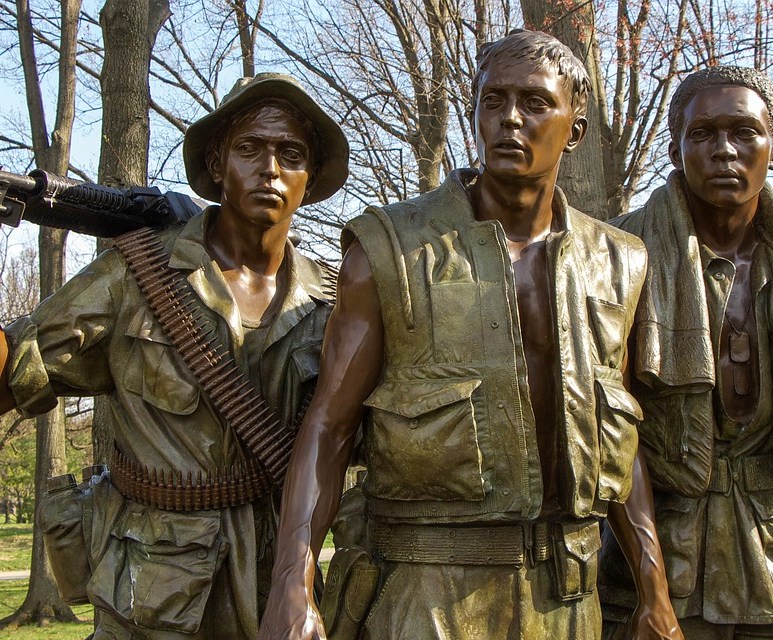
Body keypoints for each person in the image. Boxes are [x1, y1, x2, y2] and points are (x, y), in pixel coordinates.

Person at [260, 29, 681, 640]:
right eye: (493, 100)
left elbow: (618, 434)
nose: (510, 118)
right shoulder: (390, 248)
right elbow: (329, 424)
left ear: (576, 130)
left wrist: (653, 590)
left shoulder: (620, 262)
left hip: (569, 596)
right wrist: (292, 583)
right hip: (425, 591)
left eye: (535, 102)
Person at [0, 72, 349, 639]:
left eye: (291, 155)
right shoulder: (137, 274)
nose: (270, 168)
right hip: (152, 590)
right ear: (217, 165)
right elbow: (17, 364)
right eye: (249, 148)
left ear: (309, 180)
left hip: (280, 584)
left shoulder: (334, 302)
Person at [600, 66, 773, 639]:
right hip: (663, 571)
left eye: (745, 132)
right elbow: (612, 436)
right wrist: (652, 591)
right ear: (676, 150)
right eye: (702, 133)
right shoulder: (618, 256)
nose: (724, 150)